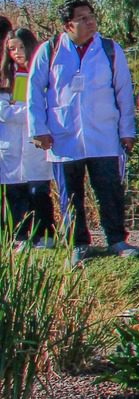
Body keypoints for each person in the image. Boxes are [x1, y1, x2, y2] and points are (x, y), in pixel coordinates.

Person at [25, 0, 139, 264]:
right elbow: (33, 90)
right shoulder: (50, 50)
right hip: (63, 135)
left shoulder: (110, 49)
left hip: (104, 134)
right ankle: (78, 244)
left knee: (109, 189)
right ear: (68, 25)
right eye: (82, 18)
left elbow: (124, 92)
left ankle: (117, 240)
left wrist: (127, 131)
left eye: (91, 16)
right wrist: (38, 129)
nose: (90, 22)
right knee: (70, 194)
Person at [0, 27, 55, 245]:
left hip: (35, 145)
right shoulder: (6, 78)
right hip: (11, 146)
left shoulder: (43, 74)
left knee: (39, 192)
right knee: (14, 195)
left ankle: (45, 235)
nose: (16, 52)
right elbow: (4, 112)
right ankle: (19, 237)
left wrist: (23, 110)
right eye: (11, 49)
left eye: (21, 47)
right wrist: (30, 111)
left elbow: (46, 107)